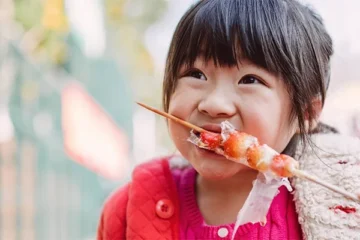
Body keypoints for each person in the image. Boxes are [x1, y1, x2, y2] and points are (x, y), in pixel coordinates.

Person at [97, 0, 360, 239]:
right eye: (196, 74)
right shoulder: (126, 210)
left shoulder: (340, 213)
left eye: (250, 80)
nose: (214, 104)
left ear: (306, 113)